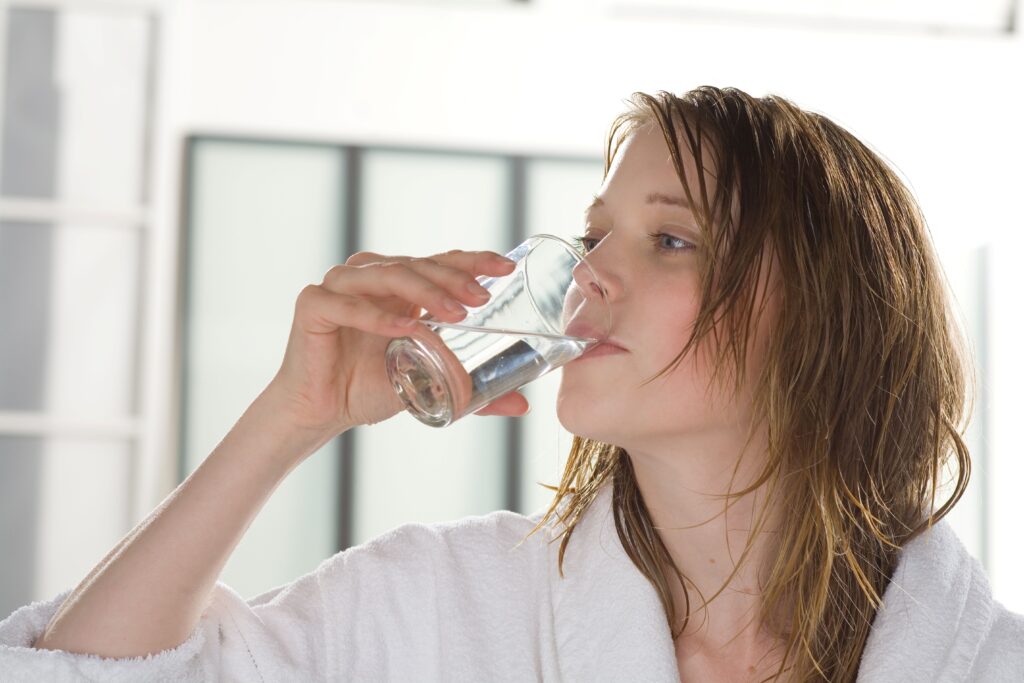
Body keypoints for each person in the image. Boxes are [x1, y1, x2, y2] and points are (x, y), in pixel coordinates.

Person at [1, 86, 1022, 682]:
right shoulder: (438, 603)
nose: (588, 274)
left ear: (826, 316)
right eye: (593, 234)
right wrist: (286, 420)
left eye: (670, 238)